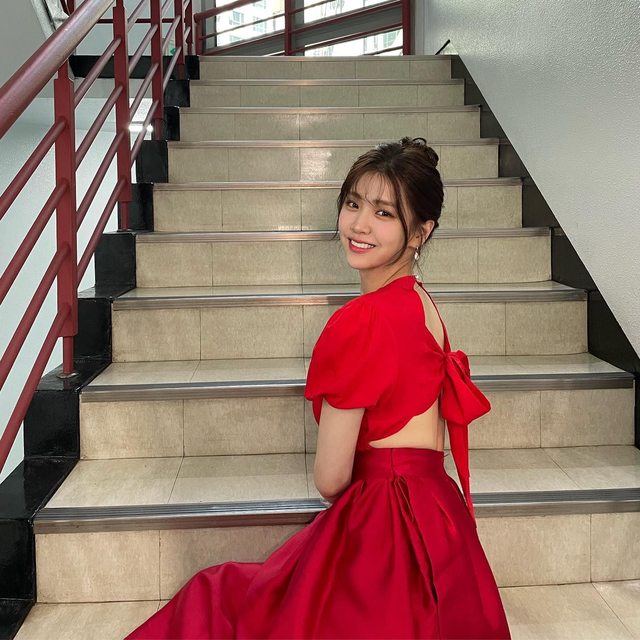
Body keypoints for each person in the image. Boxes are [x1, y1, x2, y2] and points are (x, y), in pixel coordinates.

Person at [125, 136, 512, 639]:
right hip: (440, 516)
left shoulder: (359, 321)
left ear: (421, 231)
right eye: (353, 204)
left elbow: (331, 479)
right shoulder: (423, 304)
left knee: (219, 600)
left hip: (387, 528)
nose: (360, 224)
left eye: (384, 213)